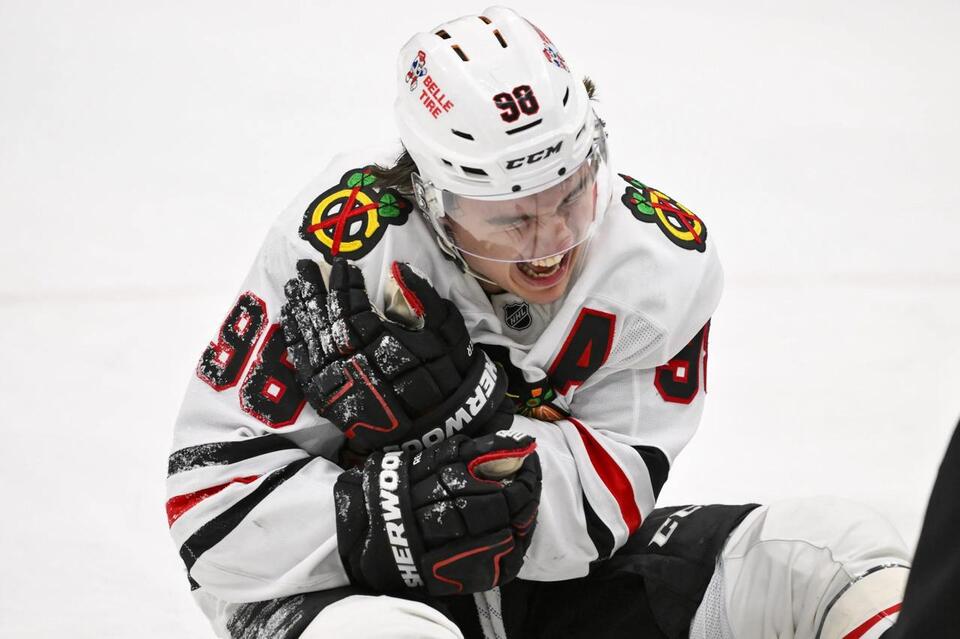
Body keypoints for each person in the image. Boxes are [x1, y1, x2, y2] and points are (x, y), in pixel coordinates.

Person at [166, 7, 914, 638]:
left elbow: (596, 517)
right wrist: (386, 518)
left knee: (839, 556)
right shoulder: (344, 250)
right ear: (435, 197)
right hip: (346, 592)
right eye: (511, 219)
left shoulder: (657, 266)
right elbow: (212, 522)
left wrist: (468, 419)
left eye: (570, 194)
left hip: (545, 589)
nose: (552, 242)